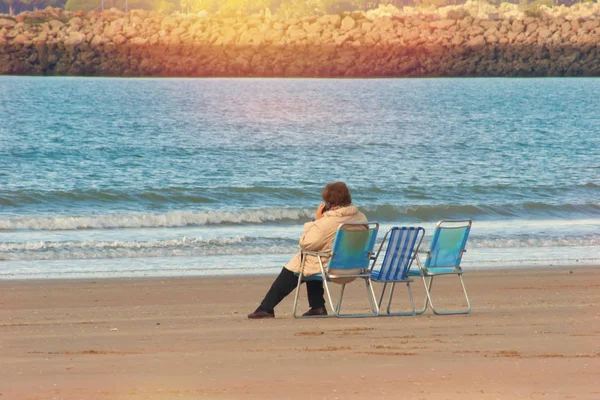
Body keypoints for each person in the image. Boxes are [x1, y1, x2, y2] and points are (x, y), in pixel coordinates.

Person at [248, 182, 368, 319]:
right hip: (353, 266)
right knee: (312, 259)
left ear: (328, 202)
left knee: (300, 262)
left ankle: (266, 308)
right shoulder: (361, 217)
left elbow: (305, 243)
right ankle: (317, 307)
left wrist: (316, 220)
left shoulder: (327, 223)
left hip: (333, 268)